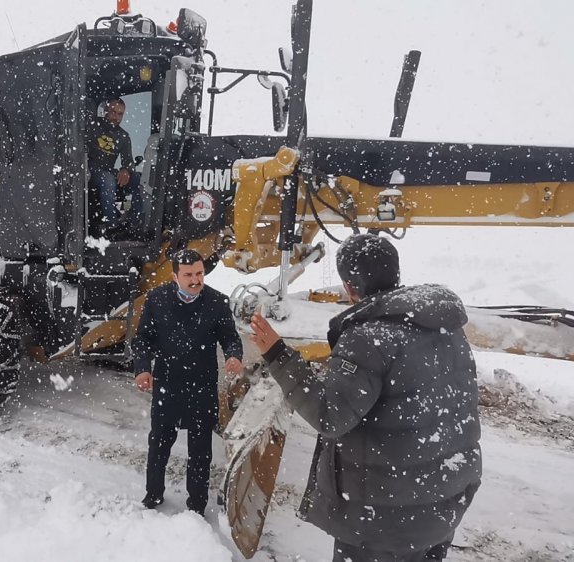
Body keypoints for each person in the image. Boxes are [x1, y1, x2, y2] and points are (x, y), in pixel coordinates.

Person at [249, 233, 482, 561]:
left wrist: (277, 355)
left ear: (349, 287)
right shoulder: (444, 326)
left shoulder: (368, 339)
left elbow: (329, 416)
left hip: (385, 520)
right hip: (442, 501)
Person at [132, 249, 244, 515]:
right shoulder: (157, 300)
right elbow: (143, 339)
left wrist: (234, 356)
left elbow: (230, 337)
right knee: (159, 443)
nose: (195, 280)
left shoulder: (217, 302)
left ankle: (197, 505)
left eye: (199, 273)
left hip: (202, 386)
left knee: (201, 451)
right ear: (174, 276)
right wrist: (142, 369)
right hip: (168, 385)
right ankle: (153, 495)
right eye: (188, 275)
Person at [87, 98, 143, 239]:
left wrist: (126, 170)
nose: (116, 117)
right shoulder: (92, 126)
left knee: (138, 179)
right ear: (106, 110)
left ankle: (136, 222)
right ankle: (111, 225)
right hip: (89, 172)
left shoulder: (123, 136)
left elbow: (128, 162)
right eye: (113, 112)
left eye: (120, 114)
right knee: (108, 179)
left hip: (108, 171)